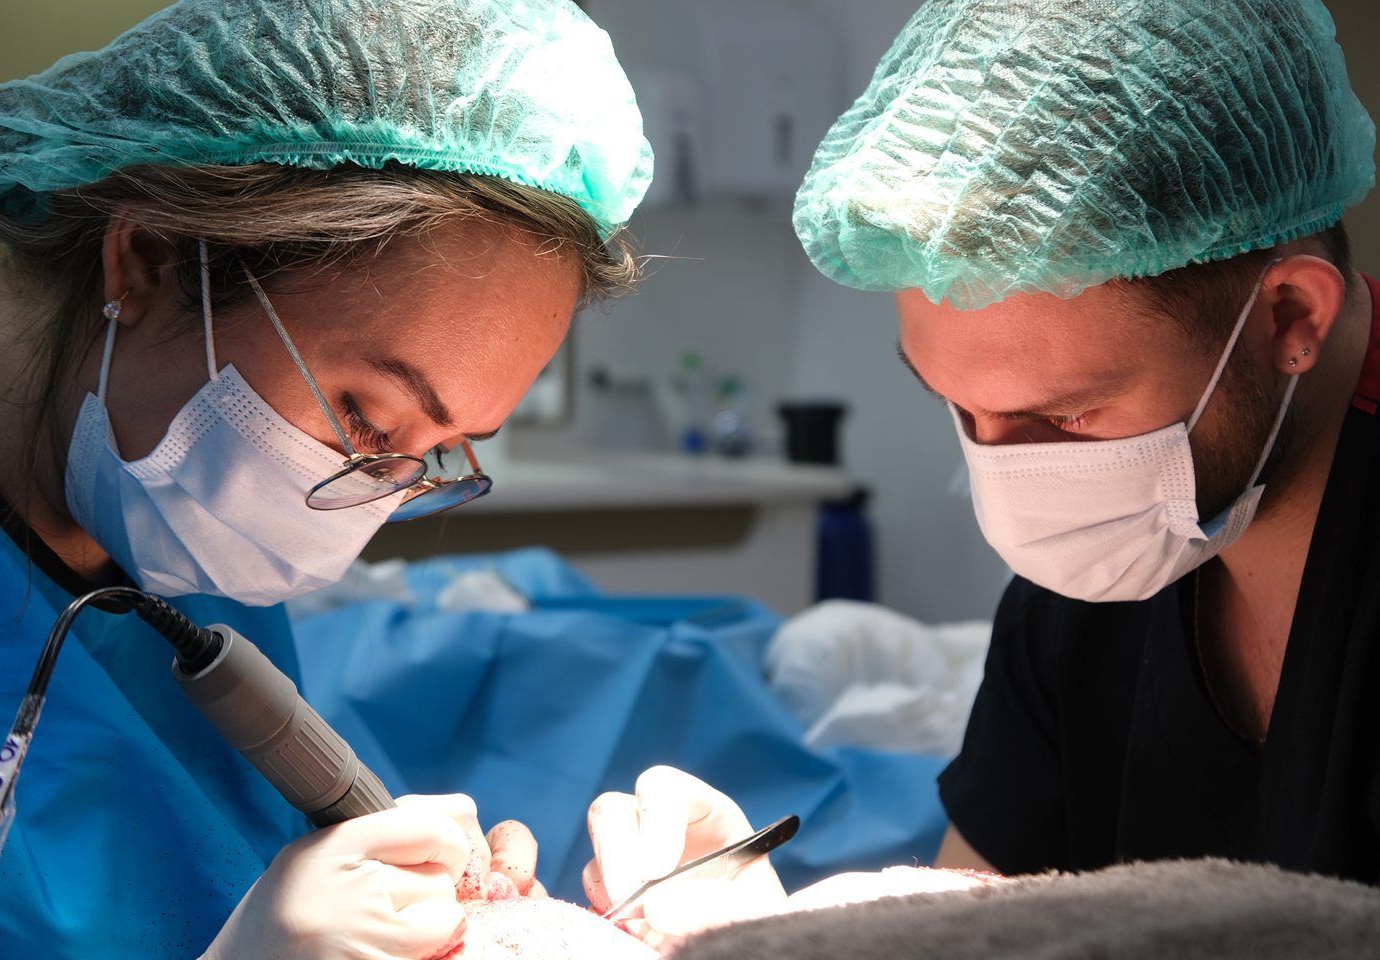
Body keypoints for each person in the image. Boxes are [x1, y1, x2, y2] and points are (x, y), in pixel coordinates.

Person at [583, 0, 1380, 946]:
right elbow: (985, 908)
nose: (1013, 479)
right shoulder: (1093, 584)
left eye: (1068, 416)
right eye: (958, 409)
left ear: (1290, 317)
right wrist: (773, 930)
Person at [0, 0, 651, 956]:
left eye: (438, 451)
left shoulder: (167, 518)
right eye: (365, 418)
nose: (373, 500)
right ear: (146, 262)